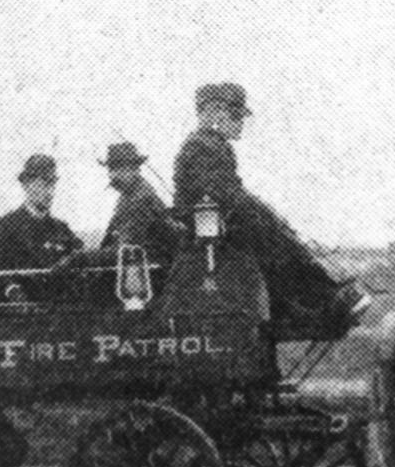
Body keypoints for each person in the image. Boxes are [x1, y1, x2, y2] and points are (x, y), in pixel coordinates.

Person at [172, 82, 370, 336]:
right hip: (213, 229)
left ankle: (314, 301)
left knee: (275, 233)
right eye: (235, 115)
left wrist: (266, 214)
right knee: (275, 240)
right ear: (214, 112)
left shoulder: (211, 145)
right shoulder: (203, 146)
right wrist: (266, 216)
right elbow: (224, 194)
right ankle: (322, 301)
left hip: (216, 224)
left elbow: (231, 192)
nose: (240, 123)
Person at [0, 154, 83, 301]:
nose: (49, 192)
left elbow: (80, 259)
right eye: (43, 184)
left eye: (52, 184)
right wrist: (11, 290)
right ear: (26, 186)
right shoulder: (6, 228)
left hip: (60, 309)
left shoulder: (61, 230)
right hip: (19, 310)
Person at [98, 141, 183, 270]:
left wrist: (83, 258)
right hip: (138, 265)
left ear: (135, 169)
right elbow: (110, 240)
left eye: (121, 169)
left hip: (152, 270)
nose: (113, 175)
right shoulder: (127, 197)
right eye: (111, 169)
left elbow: (127, 248)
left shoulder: (141, 198)